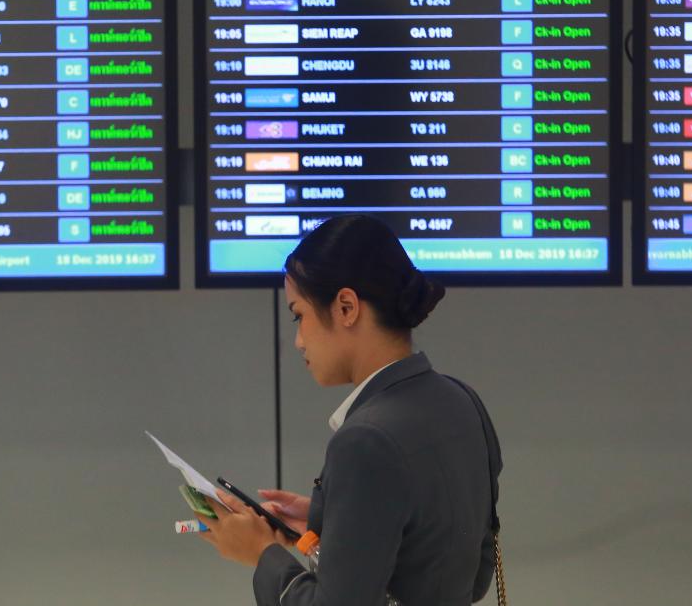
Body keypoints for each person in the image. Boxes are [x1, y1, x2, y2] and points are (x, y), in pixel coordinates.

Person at [197, 214, 503, 605]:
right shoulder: (464, 402)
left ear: (346, 307)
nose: (298, 341)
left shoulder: (365, 440)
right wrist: (338, 519)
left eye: (299, 315)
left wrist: (262, 554)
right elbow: (471, 576)